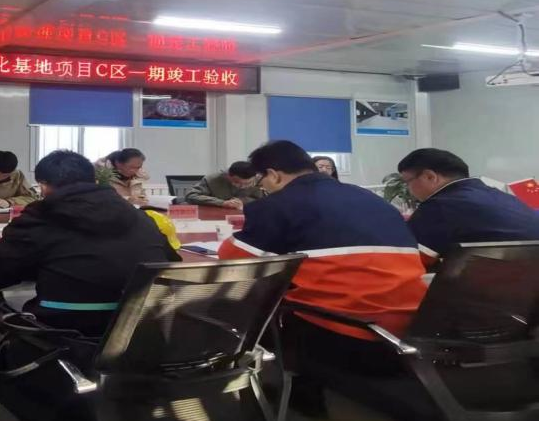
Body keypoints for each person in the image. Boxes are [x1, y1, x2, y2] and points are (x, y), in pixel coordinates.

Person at [0, 150, 178, 421]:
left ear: (44, 186)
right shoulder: (140, 217)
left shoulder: (42, 217)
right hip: (141, 345)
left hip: (65, 346)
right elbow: (169, 262)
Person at [219, 141, 426, 385]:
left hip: (348, 335)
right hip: (410, 330)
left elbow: (233, 259)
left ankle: (278, 389)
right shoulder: (371, 199)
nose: (262, 188)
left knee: (243, 304)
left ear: (273, 175)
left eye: (260, 181)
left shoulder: (277, 205)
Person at [398, 148, 539, 265]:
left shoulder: (439, 205)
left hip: (494, 283)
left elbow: (410, 260)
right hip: (528, 282)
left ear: (430, 176)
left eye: (407, 182)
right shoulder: (501, 196)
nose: (408, 189)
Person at [184, 161, 265, 209]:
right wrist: (222, 203)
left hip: (248, 215)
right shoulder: (213, 179)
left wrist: (243, 201)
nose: (242, 186)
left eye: (247, 183)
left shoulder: (261, 181)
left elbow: (265, 200)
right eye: (237, 182)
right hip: (215, 215)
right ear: (228, 175)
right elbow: (191, 196)